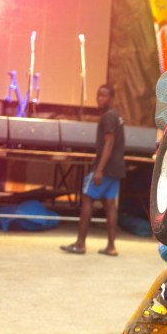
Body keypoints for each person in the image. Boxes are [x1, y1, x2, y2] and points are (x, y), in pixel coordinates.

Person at [61, 84, 125, 256]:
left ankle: (80, 244)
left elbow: (109, 143)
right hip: (117, 168)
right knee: (110, 205)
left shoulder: (108, 117)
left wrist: (99, 170)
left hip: (105, 167)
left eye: (104, 96)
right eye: (98, 95)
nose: (99, 99)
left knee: (87, 198)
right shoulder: (117, 116)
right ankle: (111, 247)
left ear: (112, 98)